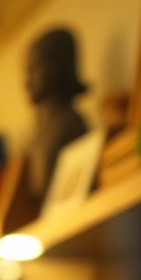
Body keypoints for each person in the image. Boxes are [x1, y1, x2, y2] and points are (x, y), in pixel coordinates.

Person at [24, 27, 89, 202]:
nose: (27, 82)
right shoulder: (36, 136)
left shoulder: (70, 123)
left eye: (33, 69)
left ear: (55, 65)